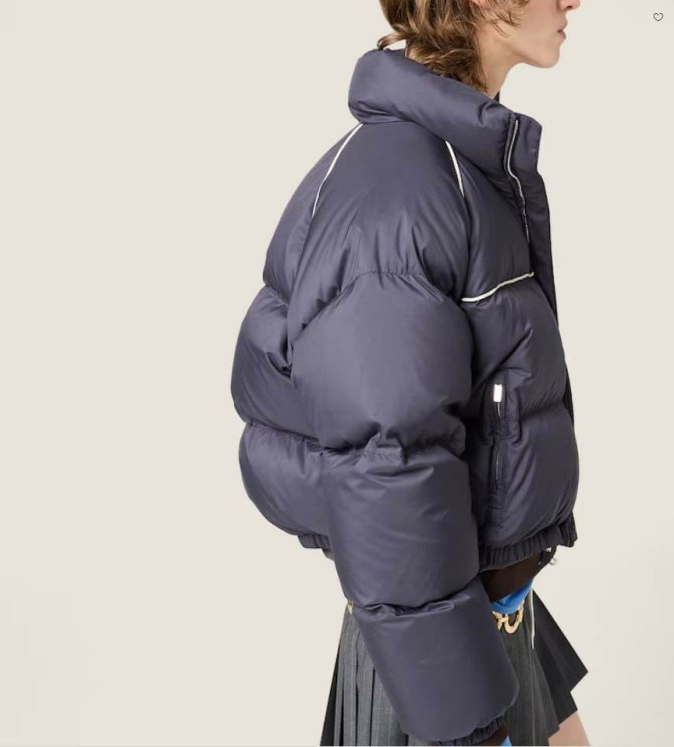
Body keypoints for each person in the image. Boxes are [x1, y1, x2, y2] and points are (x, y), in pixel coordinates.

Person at [230, 0, 589, 744]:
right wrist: (463, 725)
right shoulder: (401, 188)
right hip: (430, 659)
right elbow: (386, 463)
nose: (574, 1)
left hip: (485, 613)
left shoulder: (459, 162)